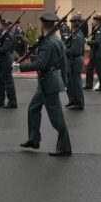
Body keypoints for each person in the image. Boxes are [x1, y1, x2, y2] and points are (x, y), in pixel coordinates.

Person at [13, 13, 72, 157]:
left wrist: (21, 67)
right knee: (33, 108)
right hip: (47, 82)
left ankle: (64, 147)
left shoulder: (47, 43)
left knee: (56, 118)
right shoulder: (56, 40)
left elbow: (41, 63)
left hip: (48, 83)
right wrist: (64, 80)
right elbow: (64, 62)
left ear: (42, 26)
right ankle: (34, 139)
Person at [0, 19, 17, 108]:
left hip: (7, 60)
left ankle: (12, 102)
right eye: (3, 25)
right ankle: (0, 100)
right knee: (0, 82)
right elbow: (0, 44)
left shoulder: (9, 35)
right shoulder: (4, 34)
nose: (3, 26)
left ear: (8, 26)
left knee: (8, 82)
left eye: (5, 25)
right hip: (2, 60)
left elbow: (5, 49)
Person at [65, 15, 86, 110]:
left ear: (74, 24)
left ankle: (79, 103)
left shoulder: (76, 35)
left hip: (75, 61)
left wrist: (63, 51)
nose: (71, 24)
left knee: (76, 84)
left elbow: (74, 50)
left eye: (72, 22)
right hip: (72, 61)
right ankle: (73, 100)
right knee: (70, 83)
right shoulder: (76, 33)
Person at [85, 15, 101, 91]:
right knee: (89, 69)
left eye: (94, 21)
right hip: (94, 53)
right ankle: (88, 85)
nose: (93, 22)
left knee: (100, 71)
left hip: (98, 53)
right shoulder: (96, 29)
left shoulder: (99, 30)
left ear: (97, 22)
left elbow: (98, 41)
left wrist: (88, 42)